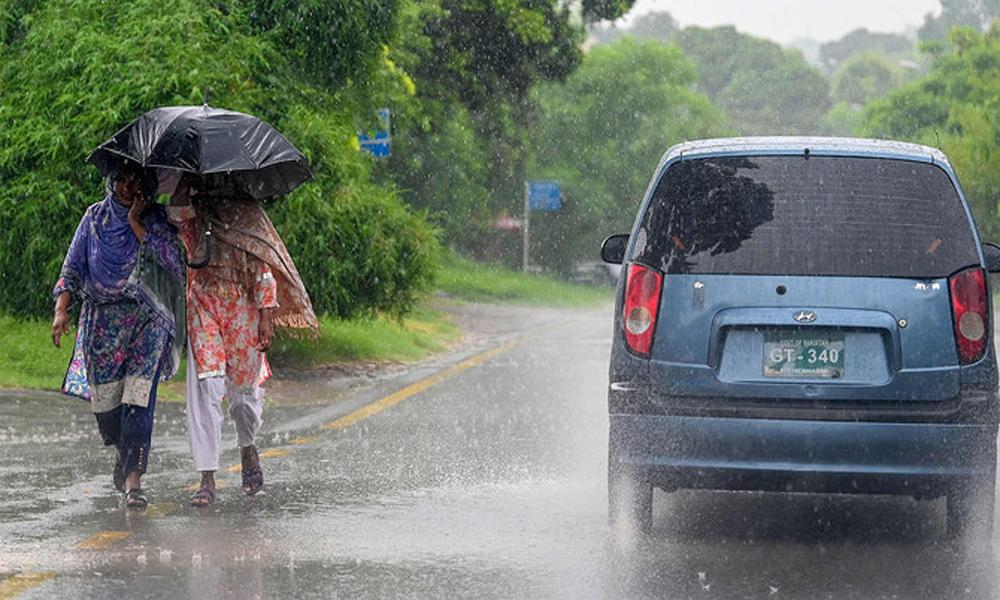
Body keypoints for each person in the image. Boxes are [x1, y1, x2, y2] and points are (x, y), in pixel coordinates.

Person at [168, 177, 317, 507]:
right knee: (206, 384)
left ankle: (248, 446)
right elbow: (175, 215)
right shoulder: (197, 207)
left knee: (242, 397)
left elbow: (263, 267)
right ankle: (207, 476)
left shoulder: (250, 214)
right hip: (204, 304)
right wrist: (185, 185)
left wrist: (266, 316)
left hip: (243, 309)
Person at [52, 162, 185, 510]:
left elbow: (172, 264)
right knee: (108, 411)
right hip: (103, 324)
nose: (127, 188)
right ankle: (121, 451)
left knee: (139, 401)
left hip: (146, 320)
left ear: (146, 186)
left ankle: (134, 481)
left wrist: (137, 225)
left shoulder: (156, 220)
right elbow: (72, 267)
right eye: (122, 180)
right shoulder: (94, 218)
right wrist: (61, 311)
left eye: (135, 181)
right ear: (112, 181)